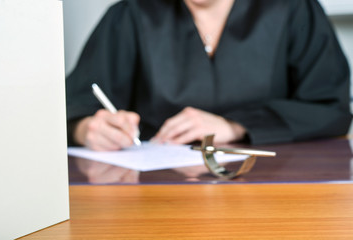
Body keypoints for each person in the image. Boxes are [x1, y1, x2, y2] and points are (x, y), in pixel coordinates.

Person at [66, 0, 352, 151]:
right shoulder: (130, 15)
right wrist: (86, 130)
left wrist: (235, 126)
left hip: (274, 187)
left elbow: (330, 108)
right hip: (155, 193)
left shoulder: (293, 8)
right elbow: (74, 105)